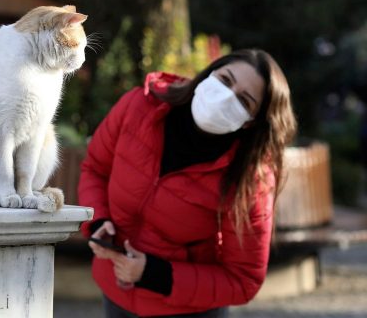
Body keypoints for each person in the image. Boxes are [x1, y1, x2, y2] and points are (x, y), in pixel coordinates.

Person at [78, 49, 297, 317]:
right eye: (225, 80)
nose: (226, 96)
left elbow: (243, 279)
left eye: (244, 100)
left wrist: (155, 274)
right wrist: (99, 222)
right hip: (116, 294)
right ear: (208, 74)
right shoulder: (140, 106)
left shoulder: (250, 177)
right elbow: (95, 169)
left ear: (251, 122)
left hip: (187, 310)